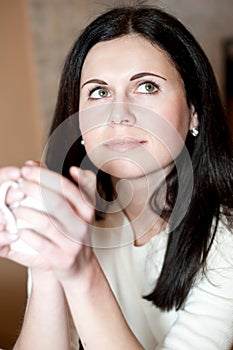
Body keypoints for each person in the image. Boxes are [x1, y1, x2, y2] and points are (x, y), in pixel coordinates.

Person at [0, 4, 232, 350]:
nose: (118, 113)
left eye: (147, 87)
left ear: (194, 113)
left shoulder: (225, 239)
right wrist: (49, 265)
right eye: (99, 92)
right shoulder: (73, 216)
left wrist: (81, 271)